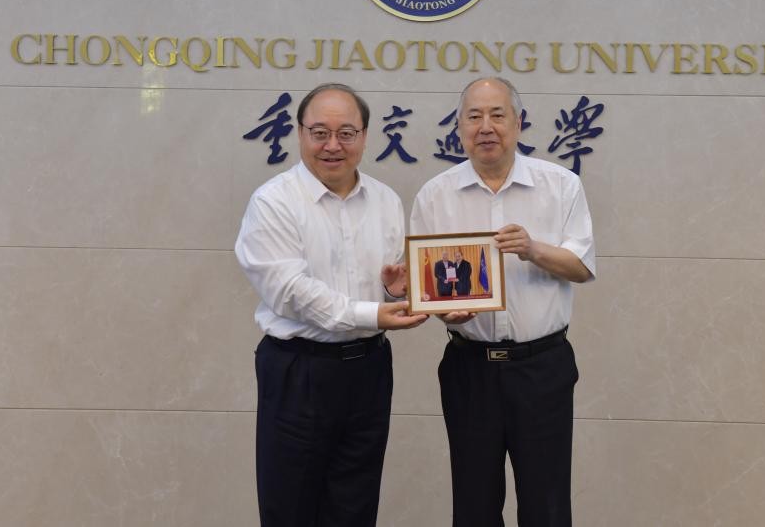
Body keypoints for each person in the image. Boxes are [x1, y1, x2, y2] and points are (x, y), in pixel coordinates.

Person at [235, 83, 428, 527]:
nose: (333, 145)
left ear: (365, 136)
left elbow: (386, 289)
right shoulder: (273, 201)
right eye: (320, 132)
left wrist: (394, 293)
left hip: (369, 370)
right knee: (291, 506)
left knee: (355, 505)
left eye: (346, 133)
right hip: (299, 370)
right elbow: (290, 291)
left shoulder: (385, 200)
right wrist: (374, 313)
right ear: (300, 133)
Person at [410, 77, 595, 527]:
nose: (486, 126)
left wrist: (533, 249)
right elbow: (424, 285)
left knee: (547, 505)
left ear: (518, 123)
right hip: (469, 368)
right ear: (459, 127)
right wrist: (442, 310)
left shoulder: (560, 185)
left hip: (542, 368)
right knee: (473, 505)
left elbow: (582, 267)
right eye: (474, 116)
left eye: (497, 115)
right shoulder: (435, 195)